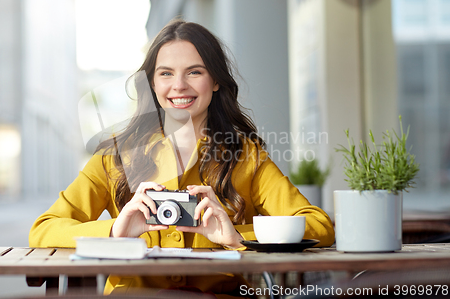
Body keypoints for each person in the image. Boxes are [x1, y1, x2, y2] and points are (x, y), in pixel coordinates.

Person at [29, 19, 335, 297]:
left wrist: (236, 237)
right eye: (166, 73)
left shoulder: (246, 157)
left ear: (215, 81)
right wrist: (114, 230)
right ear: (152, 83)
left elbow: (319, 225)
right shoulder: (115, 156)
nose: (179, 86)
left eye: (195, 72)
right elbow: (44, 228)